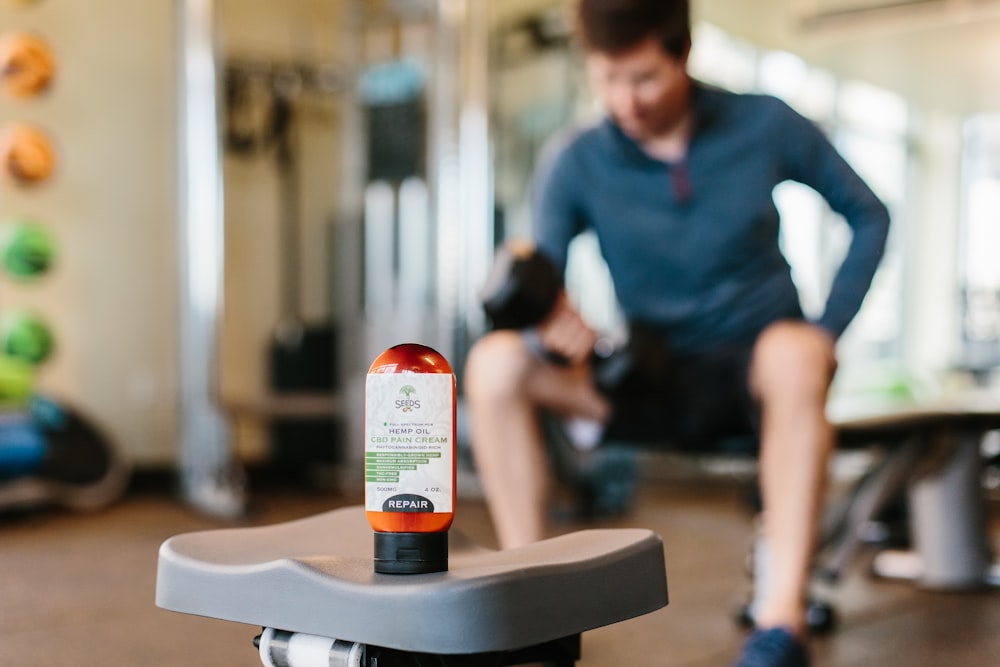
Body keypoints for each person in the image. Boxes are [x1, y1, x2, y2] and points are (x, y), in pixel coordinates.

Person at [464, 0, 890, 665]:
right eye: (606, 80)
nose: (625, 101)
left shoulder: (764, 123)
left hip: (756, 370)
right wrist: (552, 327)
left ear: (683, 53)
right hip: (646, 374)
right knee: (494, 362)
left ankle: (780, 625)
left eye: (644, 79)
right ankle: (534, 610)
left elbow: (869, 214)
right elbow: (538, 279)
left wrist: (827, 330)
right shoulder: (576, 158)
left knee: (793, 351)